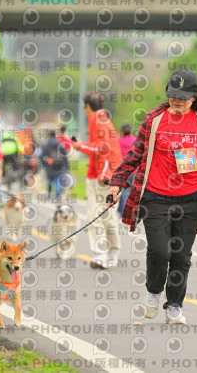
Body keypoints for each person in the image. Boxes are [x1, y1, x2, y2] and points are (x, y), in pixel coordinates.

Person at [107, 69, 197, 325]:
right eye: (173, 95)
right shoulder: (154, 119)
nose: (177, 101)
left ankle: (174, 305)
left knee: (181, 256)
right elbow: (135, 154)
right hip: (155, 196)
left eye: (183, 97)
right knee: (159, 250)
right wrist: (117, 182)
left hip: (191, 198)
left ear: (194, 97)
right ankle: (153, 292)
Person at [72, 92, 123, 269]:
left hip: (102, 177)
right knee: (107, 216)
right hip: (110, 174)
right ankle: (110, 253)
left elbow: (101, 148)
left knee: (96, 216)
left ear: (87, 107)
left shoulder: (96, 119)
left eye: (84, 107)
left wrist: (80, 146)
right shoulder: (104, 119)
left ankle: (101, 254)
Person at [39, 129, 70, 200]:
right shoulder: (60, 144)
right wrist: (66, 166)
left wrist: (44, 164)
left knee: (50, 180)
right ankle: (58, 195)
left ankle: (49, 195)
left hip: (50, 165)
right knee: (58, 179)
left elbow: (41, 156)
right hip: (60, 164)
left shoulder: (46, 145)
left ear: (48, 135)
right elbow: (64, 155)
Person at [117, 123, 136, 218]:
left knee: (125, 192)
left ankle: (125, 212)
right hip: (135, 170)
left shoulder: (119, 142)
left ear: (122, 131)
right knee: (133, 192)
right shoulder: (135, 140)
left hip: (124, 170)